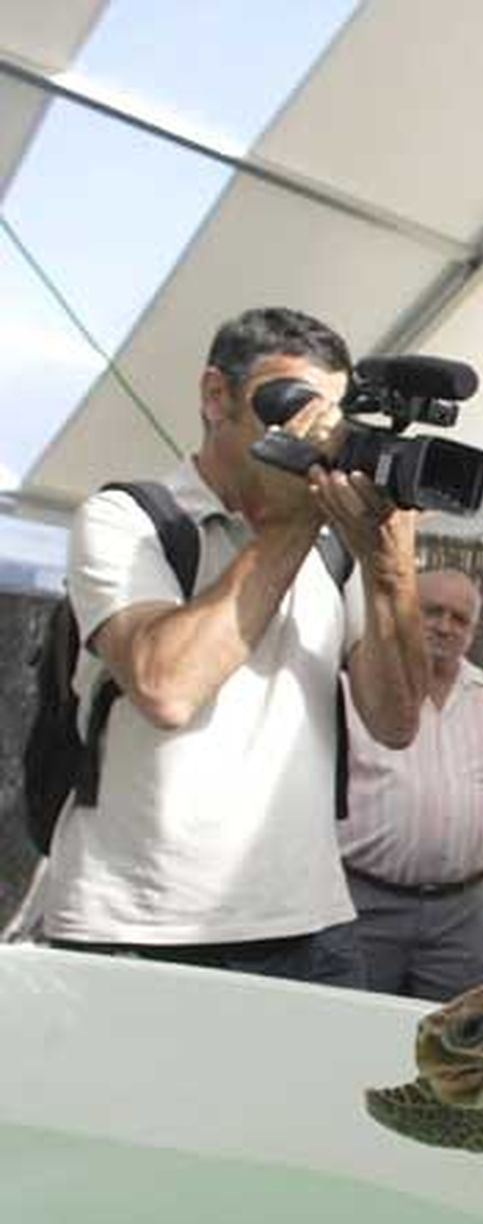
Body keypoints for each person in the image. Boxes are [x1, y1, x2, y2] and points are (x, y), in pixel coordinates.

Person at [38, 306, 428, 987]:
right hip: (136, 925)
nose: (316, 436)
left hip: (310, 924)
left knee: (306, 1100)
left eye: (330, 418)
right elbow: (167, 687)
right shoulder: (128, 519)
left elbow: (396, 722)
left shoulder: (334, 550)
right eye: (292, 409)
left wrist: (393, 574)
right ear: (215, 396)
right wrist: (286, 529)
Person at [339, 567, 483, 1000]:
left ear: (472, 631)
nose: (445, 627)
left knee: (455, 1043)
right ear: (407, 611)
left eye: (459, 619)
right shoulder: (357, 688)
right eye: (433, 612)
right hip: (366, 905)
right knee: (354, 1031)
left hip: (461, 916)